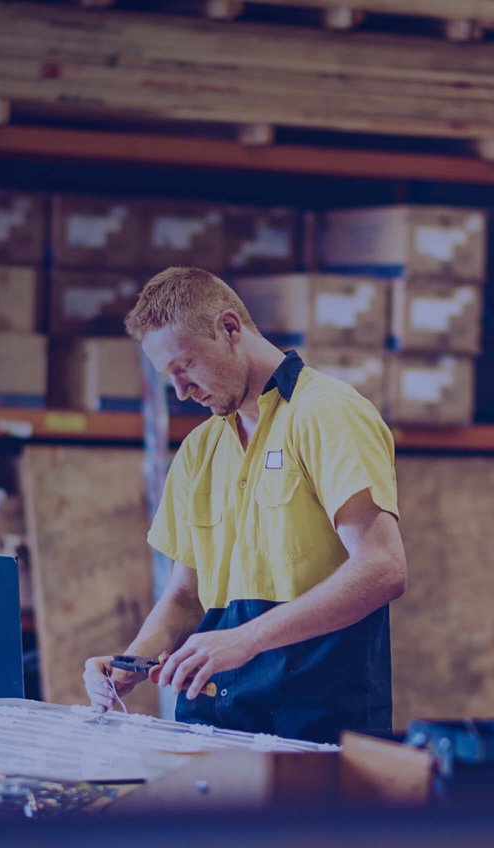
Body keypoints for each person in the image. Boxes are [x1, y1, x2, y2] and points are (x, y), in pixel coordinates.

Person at [81, 267, 408, 744]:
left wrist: (247, 638)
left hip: (313, 723)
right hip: (211, 721)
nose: (181, 391)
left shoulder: (328, 414)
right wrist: (131, 662)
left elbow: (383, 568)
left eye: (185, 365)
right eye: (169, 377)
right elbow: (185, 597)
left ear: (230, 329)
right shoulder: (199, 449)